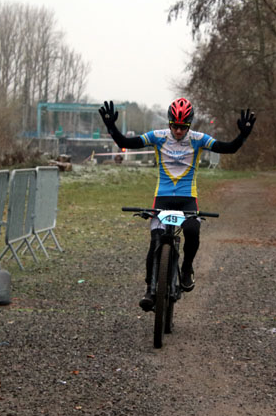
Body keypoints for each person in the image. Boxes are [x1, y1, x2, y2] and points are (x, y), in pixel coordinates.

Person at [99, 98, 256, 311]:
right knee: (155, 241)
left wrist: (243, 135)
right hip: (162, 197)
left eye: (183, 127)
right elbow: (126, 144)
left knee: (192, 230)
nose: (179, 131)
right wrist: (111, 126)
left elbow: (227, 148)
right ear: (169, 122)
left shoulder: (198, 139)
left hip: (187, 198)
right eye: (175, 126)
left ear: (189, 125)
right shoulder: (158, 137)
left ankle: (187, 268)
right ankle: (150, 290)